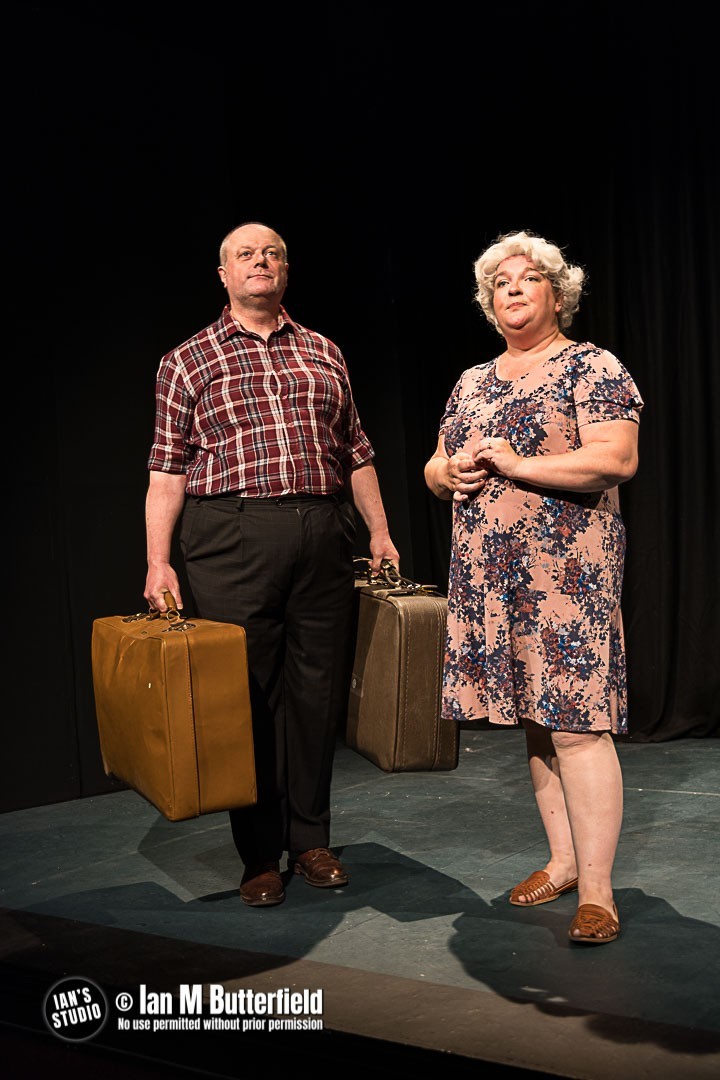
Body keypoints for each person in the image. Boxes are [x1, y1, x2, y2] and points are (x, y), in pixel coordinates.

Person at [144, 220, 399, 907]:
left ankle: (311, 840)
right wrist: (158, 564)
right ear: (223, 275)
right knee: (246, 699)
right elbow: (166, 472)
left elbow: (357, 453)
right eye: (245, 255)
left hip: (321, 529)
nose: (261, 262)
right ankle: (258, 855)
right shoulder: (187, 360)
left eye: (273, 254)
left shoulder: (324, 351)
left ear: (285, 272)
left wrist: (379, 532)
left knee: (316, 695)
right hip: (230, 535)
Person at [425, 229, 643, 945]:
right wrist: (446, 473)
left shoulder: (591, 366)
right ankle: (562, 861)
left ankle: (600, 894)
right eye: (500, 284)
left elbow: (614, 458)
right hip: (491, 574)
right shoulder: (472, 381)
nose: (512, 290)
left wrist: (516, 465)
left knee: (578, 725)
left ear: (558, 292)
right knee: (535, 719)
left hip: (568, 575)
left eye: (527, 279)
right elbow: (435, 464)